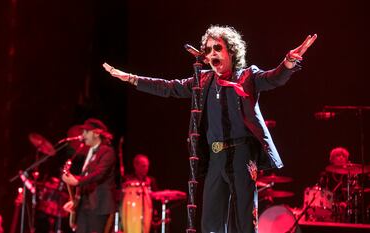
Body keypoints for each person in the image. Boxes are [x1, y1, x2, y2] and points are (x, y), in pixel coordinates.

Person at [103, 25, 317, 233]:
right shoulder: (203, 80)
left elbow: (273, 78)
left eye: (218, 48)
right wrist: (132, 79)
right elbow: (169, 87)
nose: (212, 53)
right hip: (215, 156)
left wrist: (288, 61)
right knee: (211, 220)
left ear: (231, 51)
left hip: (242, 154)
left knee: (243, 219)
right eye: (208, 49)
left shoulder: (247, 77)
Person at [62, 118, 117, 233]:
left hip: (99, 205)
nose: (83, 135)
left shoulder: (107, 152)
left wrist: (77, 181)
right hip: (85, 205)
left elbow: (99, 174)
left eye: (86, 131)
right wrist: (75, 200)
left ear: (96, 133)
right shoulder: (90, 152)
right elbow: (86, 177)